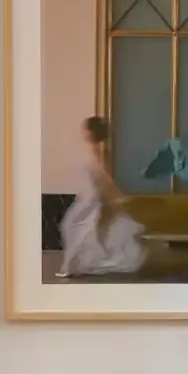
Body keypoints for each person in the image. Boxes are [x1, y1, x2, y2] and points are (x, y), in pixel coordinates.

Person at [58, 116, 147, 279]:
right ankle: (74, 265)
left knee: (75, 226)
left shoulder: (96, 151)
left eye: (85, 130)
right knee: (76, 227)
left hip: (92, 196)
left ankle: (72, 266)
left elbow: (102, 176)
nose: (82, 133)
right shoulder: (93, 149)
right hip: (88, 194)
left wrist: (115, 194)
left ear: (91, 133)